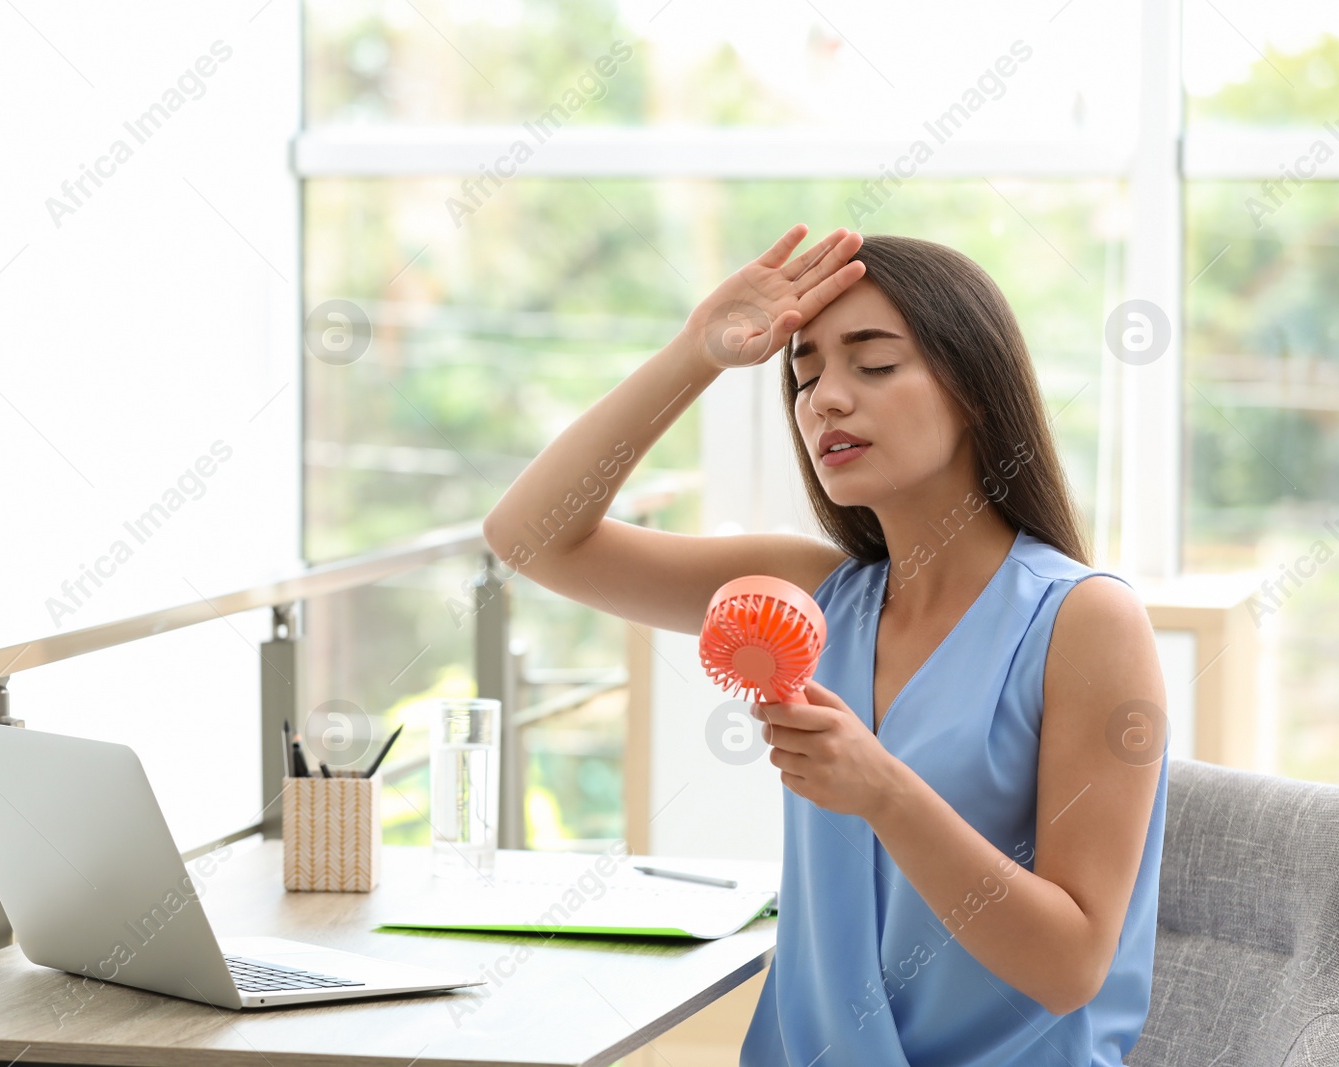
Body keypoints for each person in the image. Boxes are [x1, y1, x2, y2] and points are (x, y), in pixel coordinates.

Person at [480, 224, 1169, 1065]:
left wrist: (884, 790)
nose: (826, 400)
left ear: (977, 390)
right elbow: (529, 537)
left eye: (873, 364)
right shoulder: (813, 595)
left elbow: (1071, 967)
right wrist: (695, 353)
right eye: (805, 377)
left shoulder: (1085, 621)